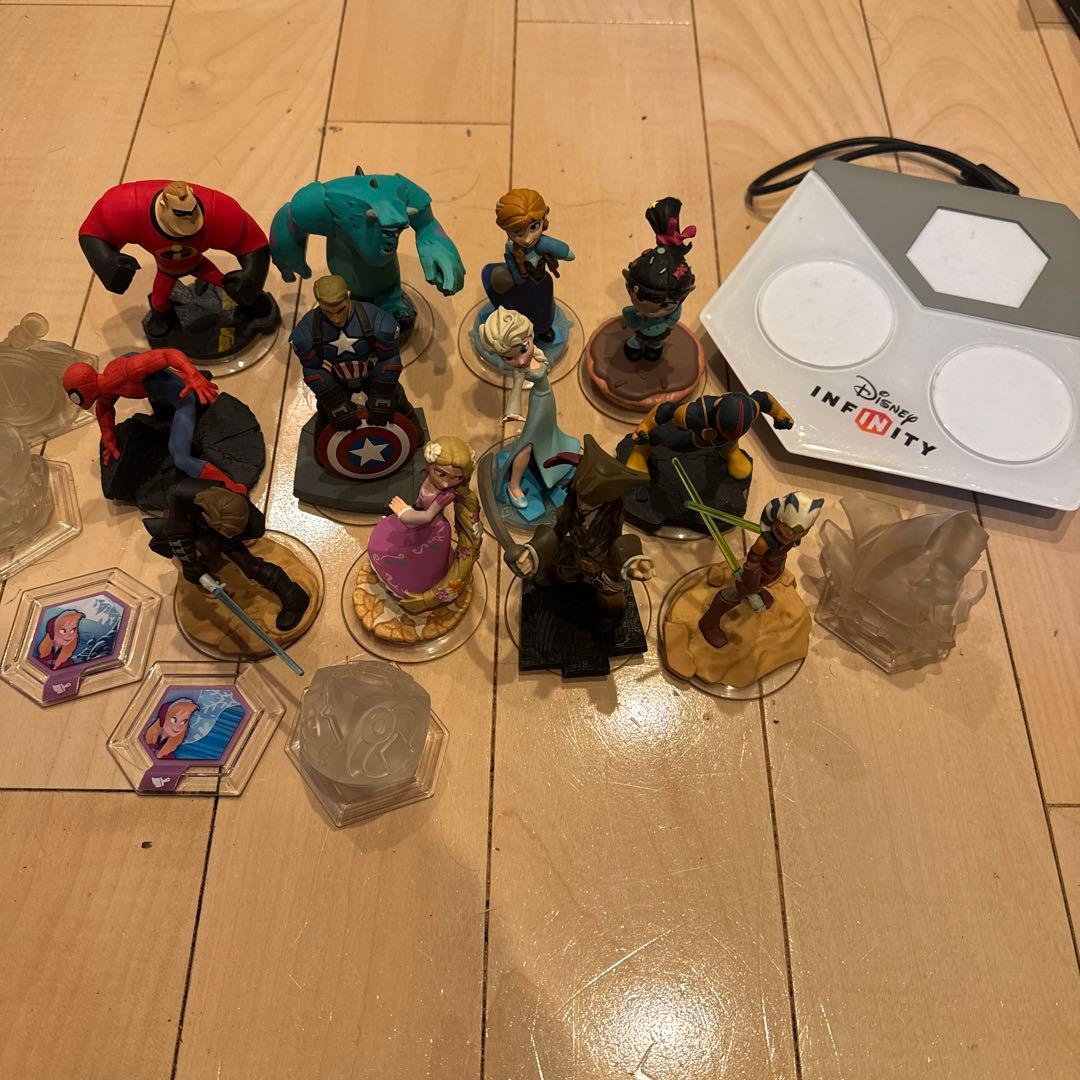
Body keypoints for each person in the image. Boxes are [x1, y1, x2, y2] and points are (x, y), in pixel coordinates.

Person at [476, 307, 579, 512]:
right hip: (538, 406)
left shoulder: (536, 354)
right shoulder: (520, 371)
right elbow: (516, 391)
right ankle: (514, 485)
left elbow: (540, 366)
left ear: (530, 337)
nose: (521, 361)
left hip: (548, 401)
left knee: (547, 434)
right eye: (508, 358)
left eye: (523, 350)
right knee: (526, 444)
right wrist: (513, 412)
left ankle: (549, 456)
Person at [369, 437, 483, 614]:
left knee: (422, 564)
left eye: (457, 478)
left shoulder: (445, 495)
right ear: (429, 465)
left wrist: (405, 514)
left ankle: (424, 585)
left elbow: (428, 516)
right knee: (390, 544)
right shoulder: (426, 478)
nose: (446, 483)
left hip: (433, 528)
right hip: (417, 521)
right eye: (441, 474)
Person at [482, 188, 574, 343]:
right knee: (521, 308)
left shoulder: (542, 244)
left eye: (534, 227)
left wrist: (563, 253)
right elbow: (510, 261)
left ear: (544, 218)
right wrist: (516, 274)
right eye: (517, 233)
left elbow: (564, 251)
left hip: (540, 282)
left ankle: (543, 329)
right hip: (521, 285)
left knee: (543, 307)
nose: (527, 239)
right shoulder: (511, 248)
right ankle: (522, 332)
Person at [621, 196, 696, 362]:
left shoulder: (673, 311)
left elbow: (673, 316)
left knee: (656, 345)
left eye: (663, 305)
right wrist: (631, 319)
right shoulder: (639, 312)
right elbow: (628, 313)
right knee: (637, 341)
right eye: (640, 300)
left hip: (659, 335)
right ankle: (635, 345)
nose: (651, 311)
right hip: (641, 332)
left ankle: (654, 348)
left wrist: (669, 323)